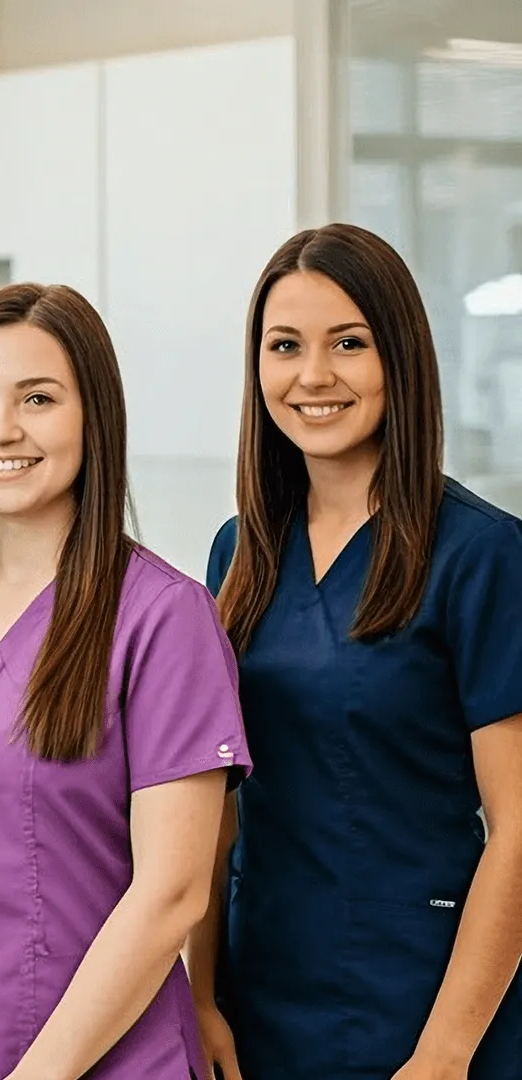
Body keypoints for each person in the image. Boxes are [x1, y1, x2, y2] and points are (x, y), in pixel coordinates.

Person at [0, 282, 250, 1080]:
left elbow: (171, 892)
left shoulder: (164, 619)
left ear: (95, 416)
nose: (2, 430)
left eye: (38, 399)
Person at [190, 223, 522, 1080]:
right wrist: (198, 995)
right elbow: (209, 805)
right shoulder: (240, 555)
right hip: (258, 988)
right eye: (284, 346)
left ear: (399, 358)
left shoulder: (480, 556)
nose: (314, 376)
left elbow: (520, 824)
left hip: (425, 1000)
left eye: (349, 344)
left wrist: (446, 1053)